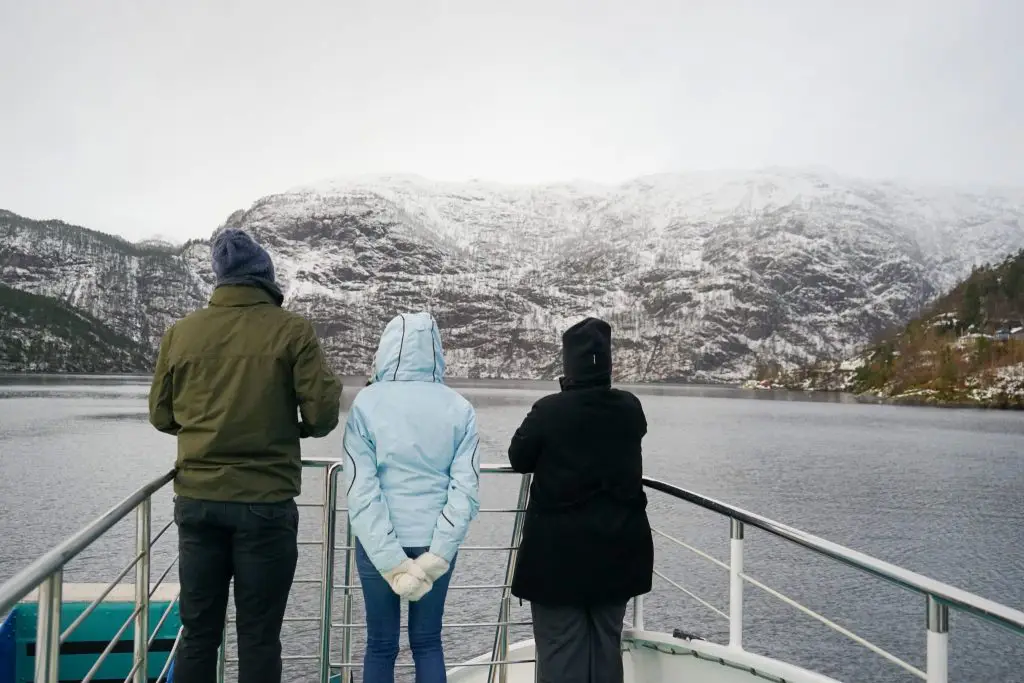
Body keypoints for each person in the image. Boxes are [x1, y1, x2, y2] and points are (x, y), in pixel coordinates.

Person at [148, 228, 343, 683]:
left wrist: (204, 433)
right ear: (264, 275)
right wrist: (288, 429)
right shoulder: (291, 330)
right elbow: (322, 413)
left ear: (221, 278)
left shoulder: (181, 333)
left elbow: (161, 414)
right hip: (265, 504)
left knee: (198, 633)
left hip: (197, 502)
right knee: (258, 635)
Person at [508, 317, 653, 683]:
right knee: (607, 648)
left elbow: (518, 457)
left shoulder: (549, 411)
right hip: (619, 553)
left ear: (568, 364)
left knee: (560, 651)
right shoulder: (629, 408)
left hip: (558, 561)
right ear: (608, 363)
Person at [343, 312, 480, 683]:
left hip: (378, 545)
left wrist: (390, 560)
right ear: (436, 351)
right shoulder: (460, 407)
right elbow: (465, 488)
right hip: (436, 541)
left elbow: (361, 488)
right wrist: (437, 555)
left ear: (386, 349)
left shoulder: (365, 404)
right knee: (428, 642)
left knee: (380, 645)